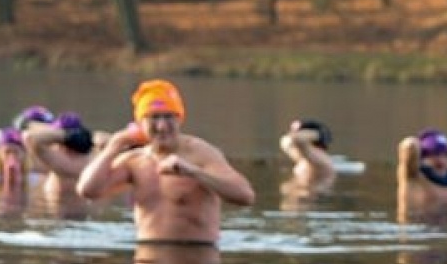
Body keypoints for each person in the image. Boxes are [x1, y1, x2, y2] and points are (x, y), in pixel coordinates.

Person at [76, 78, 256, 245]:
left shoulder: (200, 154)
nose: (162, 126)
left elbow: (245, 196)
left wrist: (194, 172)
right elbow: (88, 190)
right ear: (140, 123)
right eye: (153, 118)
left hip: (197, 259)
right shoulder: (135, 161)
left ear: (180, 119)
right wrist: (113, 147)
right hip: (148, 262)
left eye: (169, 117)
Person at [23, 112, 98, 205]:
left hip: (68, 215)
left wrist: (66, 136)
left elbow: (31, 138)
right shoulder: (92, 157)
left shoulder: (69, 162)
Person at [279, 118, 340, 194]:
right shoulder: (302, 160)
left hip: (317, 180)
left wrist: (301, 125)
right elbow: (288, 142)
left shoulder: (320, 160)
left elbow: (296, 139)